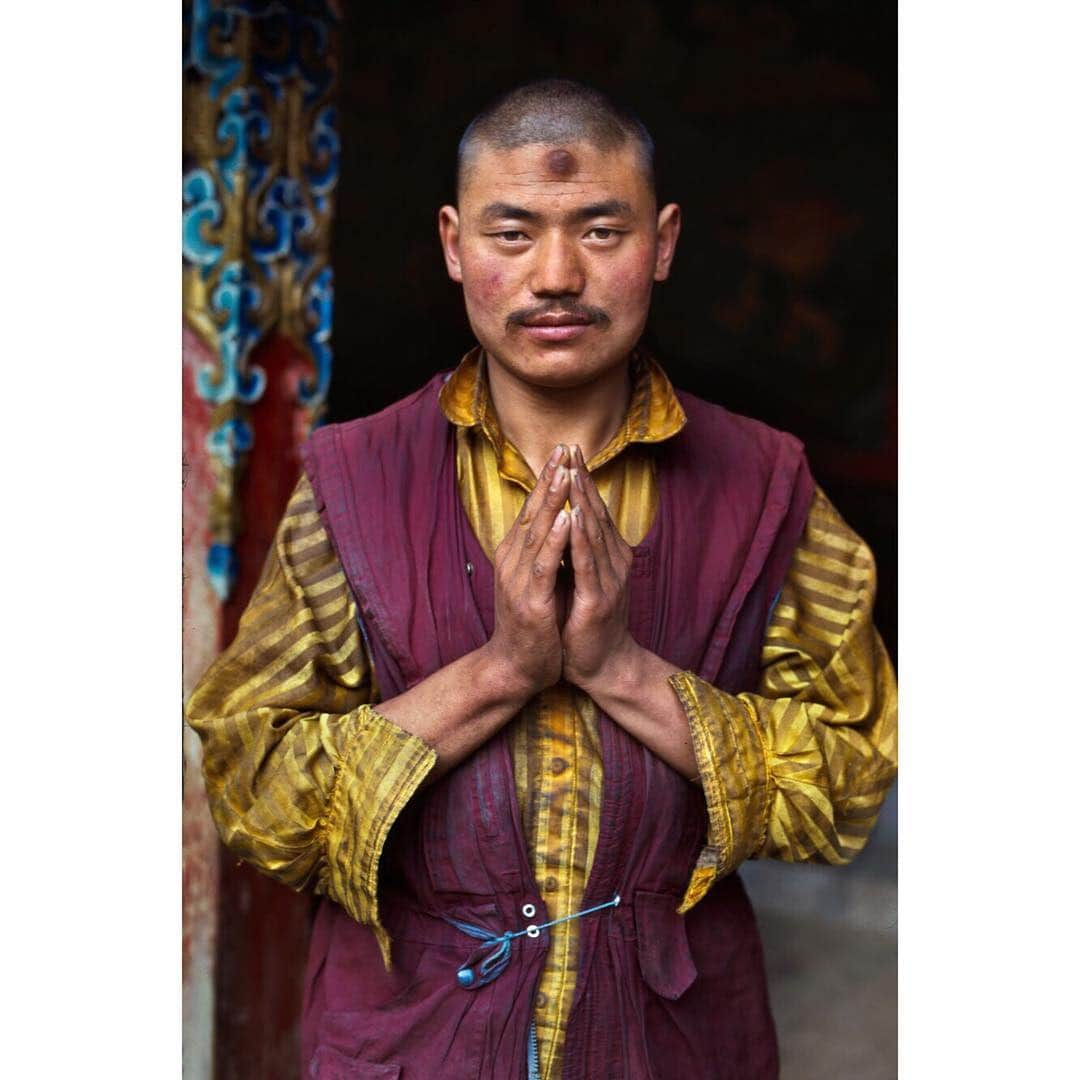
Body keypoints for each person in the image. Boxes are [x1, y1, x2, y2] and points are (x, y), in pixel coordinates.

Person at [186, 78, 897, 1080]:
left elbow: (849, 776)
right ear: (452, 244)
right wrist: (503, 668)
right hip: (411, 1031)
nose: (557, 275)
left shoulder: (766, 484)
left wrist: (622, 670)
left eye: (601, 231)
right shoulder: (355, 478)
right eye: (511, 234)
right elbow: (253, 782)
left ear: (664, 242)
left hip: (673, 1032)